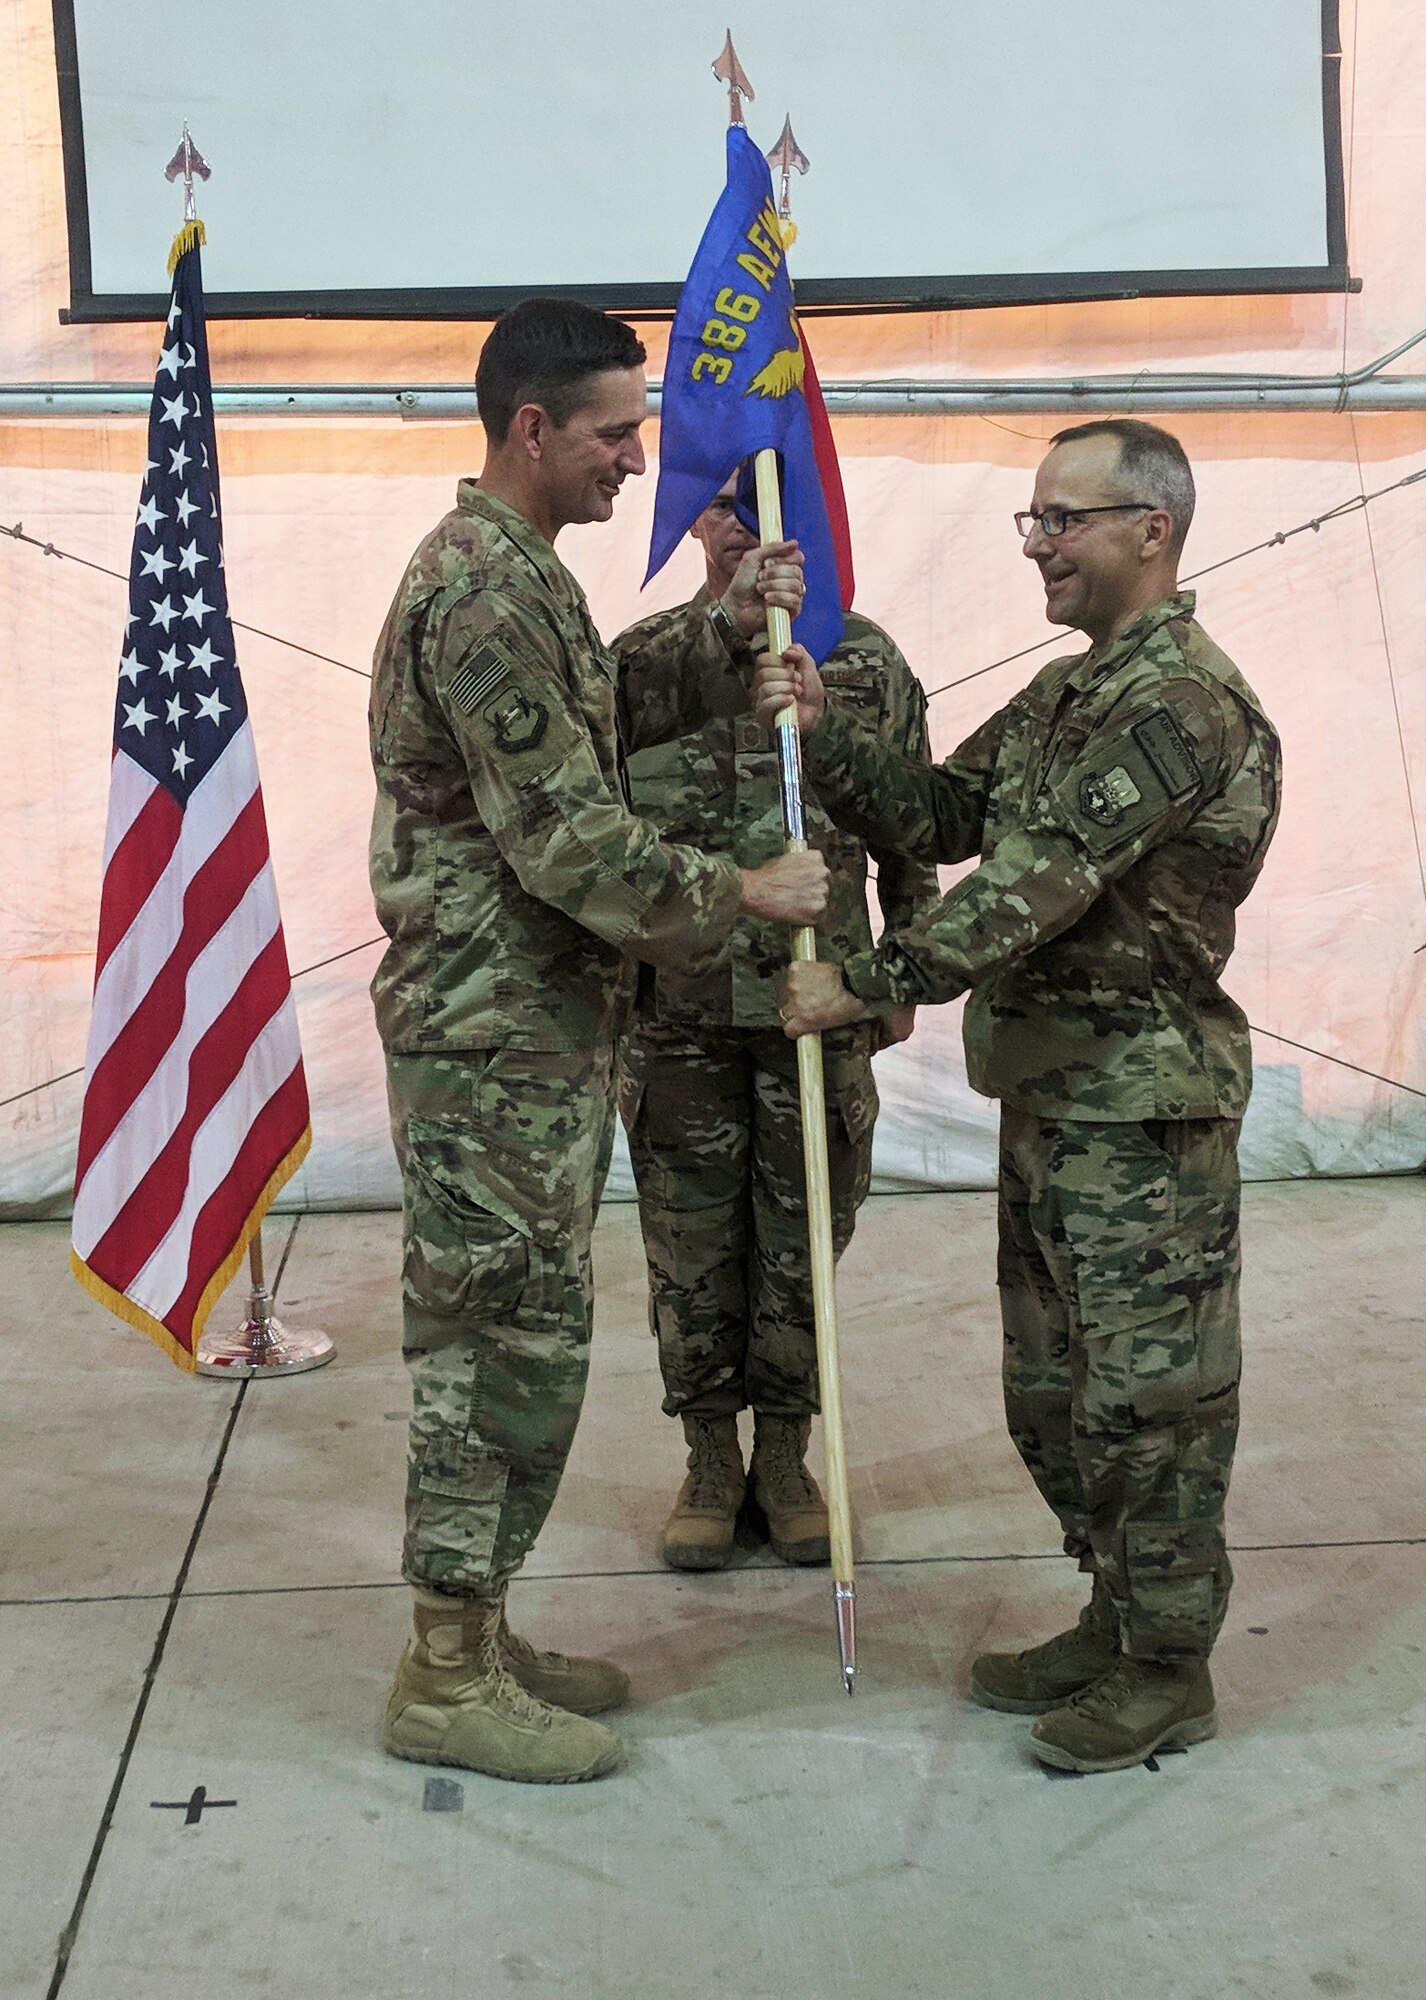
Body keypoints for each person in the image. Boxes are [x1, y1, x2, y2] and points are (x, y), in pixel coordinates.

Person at [756, 419, 1281, 1774]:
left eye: (1064, 520)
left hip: (1142, 1115)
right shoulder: (1071, 695)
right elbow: (940, 813)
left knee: (1149, 1408)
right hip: (1055, 1100)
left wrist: (869, 981)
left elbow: (1030, 883)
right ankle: (1112, 1615)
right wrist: (829, 729)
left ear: (1149, 529)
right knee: (1053, 1392)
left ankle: (1168, 1664)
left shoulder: (1178, 704)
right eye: (1030, 521)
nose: (1038, 545)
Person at [368, 300, 829, 1786]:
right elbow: (564, 833)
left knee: (530, 1346)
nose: (643, 458)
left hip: (540, 1036)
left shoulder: (522, 578)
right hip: (495, 1042)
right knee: (491, 1354)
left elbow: (594, 720)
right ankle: (445, 1670)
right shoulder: (482, 591)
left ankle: (478, 1633)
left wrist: (718, 630)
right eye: (618, 432)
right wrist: (739, 893)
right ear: (529, 428)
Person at [612, 478, 938, 1572]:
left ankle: (788, 1455)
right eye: (719, 502)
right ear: (692, 519)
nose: (740, 520)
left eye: (762, 498)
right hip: (682, 1011)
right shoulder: (641, 665)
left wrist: (899, 971)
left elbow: (911, 824)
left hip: (820, 1006)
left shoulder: (866, 661)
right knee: (690, 1245)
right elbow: (596, 838)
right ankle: (710, 1459)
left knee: (805, 1239)